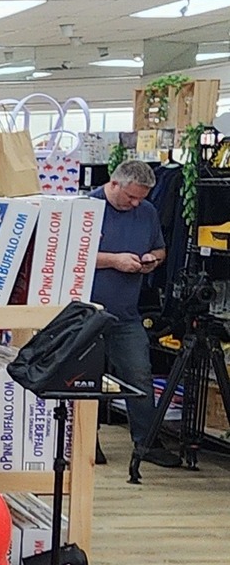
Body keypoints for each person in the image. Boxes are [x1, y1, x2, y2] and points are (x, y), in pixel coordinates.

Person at [90, 156, 166, 473]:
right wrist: (114, 260)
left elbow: (161, 249)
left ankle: (147, 442)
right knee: (85, 380)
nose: (135, 204)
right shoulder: (87, 208)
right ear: (114, 183)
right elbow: (74, 255)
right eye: (130, 196)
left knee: (138, 375)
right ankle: (84, 442)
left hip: (126, 312)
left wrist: (152, 259)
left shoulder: (146, 212)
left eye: (141, 198)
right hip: (88, 312)